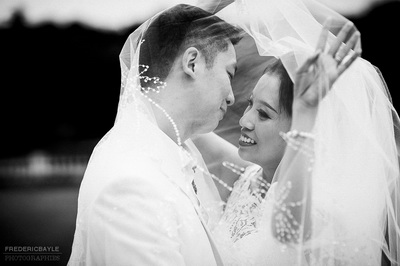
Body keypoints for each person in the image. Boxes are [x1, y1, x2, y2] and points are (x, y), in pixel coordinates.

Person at [192, 0, 400, 265]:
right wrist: (201, 14)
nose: (245, 120)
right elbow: (177, 116)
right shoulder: (247, 180)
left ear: (309, 125)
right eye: (250, 105)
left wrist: (306, 109)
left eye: (264, 114)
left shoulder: (325, 207)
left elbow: (287, 229)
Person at [67, 4, 245, 265]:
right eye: (229, 73)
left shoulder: (160, 152)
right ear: (192, 63)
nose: (231, 97)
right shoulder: (130, 187)